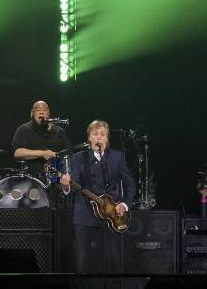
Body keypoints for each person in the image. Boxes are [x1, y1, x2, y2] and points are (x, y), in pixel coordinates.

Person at [60, 120, 136, 289]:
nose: (99, 137)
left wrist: (124, 204)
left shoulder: (117, 157)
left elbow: (130, 184)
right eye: (95, 134)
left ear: (107, 139)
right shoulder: (78, 158)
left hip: (112, 215)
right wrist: (65, 185)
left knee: (113, 258)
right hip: (84, 215)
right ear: (89, 138)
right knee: (82, 260)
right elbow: (73, 187)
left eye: (102, 134)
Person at [12, 100, 72, 179]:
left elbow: (68, 154)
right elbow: (18, 153)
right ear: (32, 113)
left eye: (44, 110)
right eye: (38, 110)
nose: (41, 112)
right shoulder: (24, 129)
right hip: (31, 177)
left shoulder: (59, 131)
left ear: (49, 113)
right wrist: (42, 153)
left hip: (56, 178)